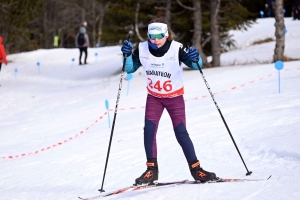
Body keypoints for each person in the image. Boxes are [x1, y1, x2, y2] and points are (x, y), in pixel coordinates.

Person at [121, 17, 217, 185]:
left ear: (166, 34)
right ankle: (152, 170)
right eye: (152, 36)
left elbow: (196, 65)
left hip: (174, 98)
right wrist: (127, 55)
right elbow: (129, 68)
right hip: (154, 97)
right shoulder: (142, 48)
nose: (156, 40)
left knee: (181, 133)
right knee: (149, 131)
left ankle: (197, 170)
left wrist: (196, 58)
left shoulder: (176, 48)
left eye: (159, 35)